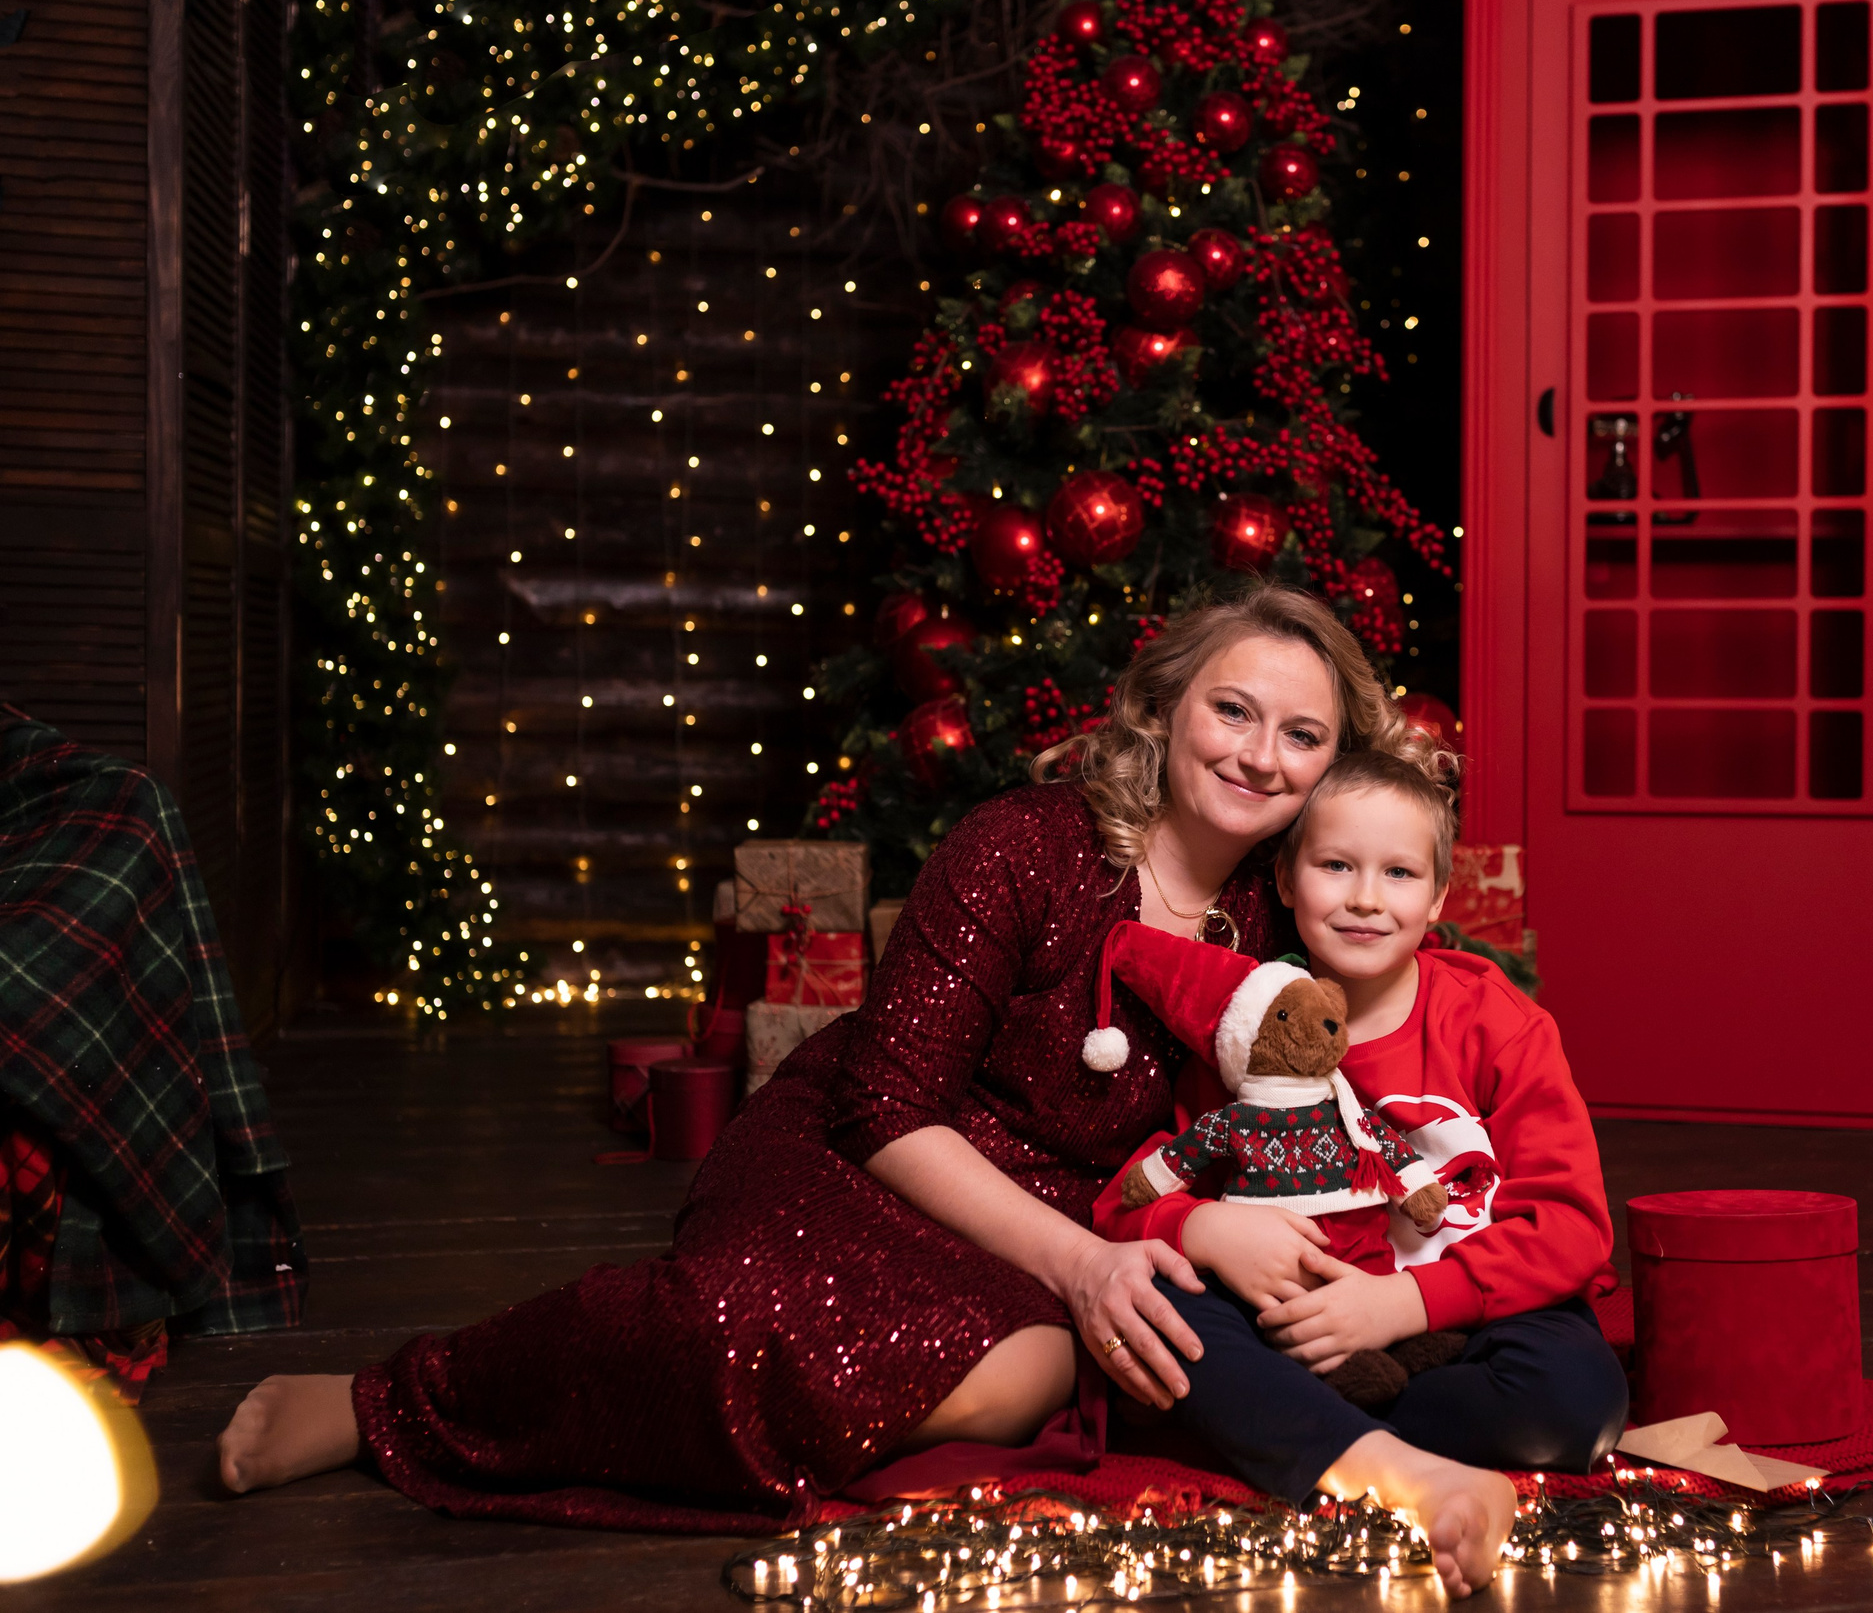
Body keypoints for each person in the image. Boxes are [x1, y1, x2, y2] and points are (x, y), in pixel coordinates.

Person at [214, 584, 1520, 1596]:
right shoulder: (1023, 844)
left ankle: (816, 1424)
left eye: (1303, 734)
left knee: (1010, 1385)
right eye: (1234, 710)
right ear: (1168, 707)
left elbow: (1298, 1118)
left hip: (1086, 1208)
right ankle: (401, 1397)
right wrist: (1080, 1265)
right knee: (748, 1323)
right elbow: (890, 1104)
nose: (1260, 753)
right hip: (878, 1149)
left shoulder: (1285, 912)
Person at [1092, 746, 1625, 1503]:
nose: (1366, 899)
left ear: (1440, 895)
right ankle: (1332, 1432)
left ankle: (1301, 1436)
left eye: (1399, 874)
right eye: (1336, 866)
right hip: (1301, 1326)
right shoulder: (1250, 1033)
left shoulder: (1495, 1024)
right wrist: (1203, 1230)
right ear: (1284, 877)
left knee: (1576, 1401)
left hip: (1467, 1311)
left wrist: (1401, 1305)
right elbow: (1140, 1198)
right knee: (1171, 1311)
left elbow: (1570, 1227)